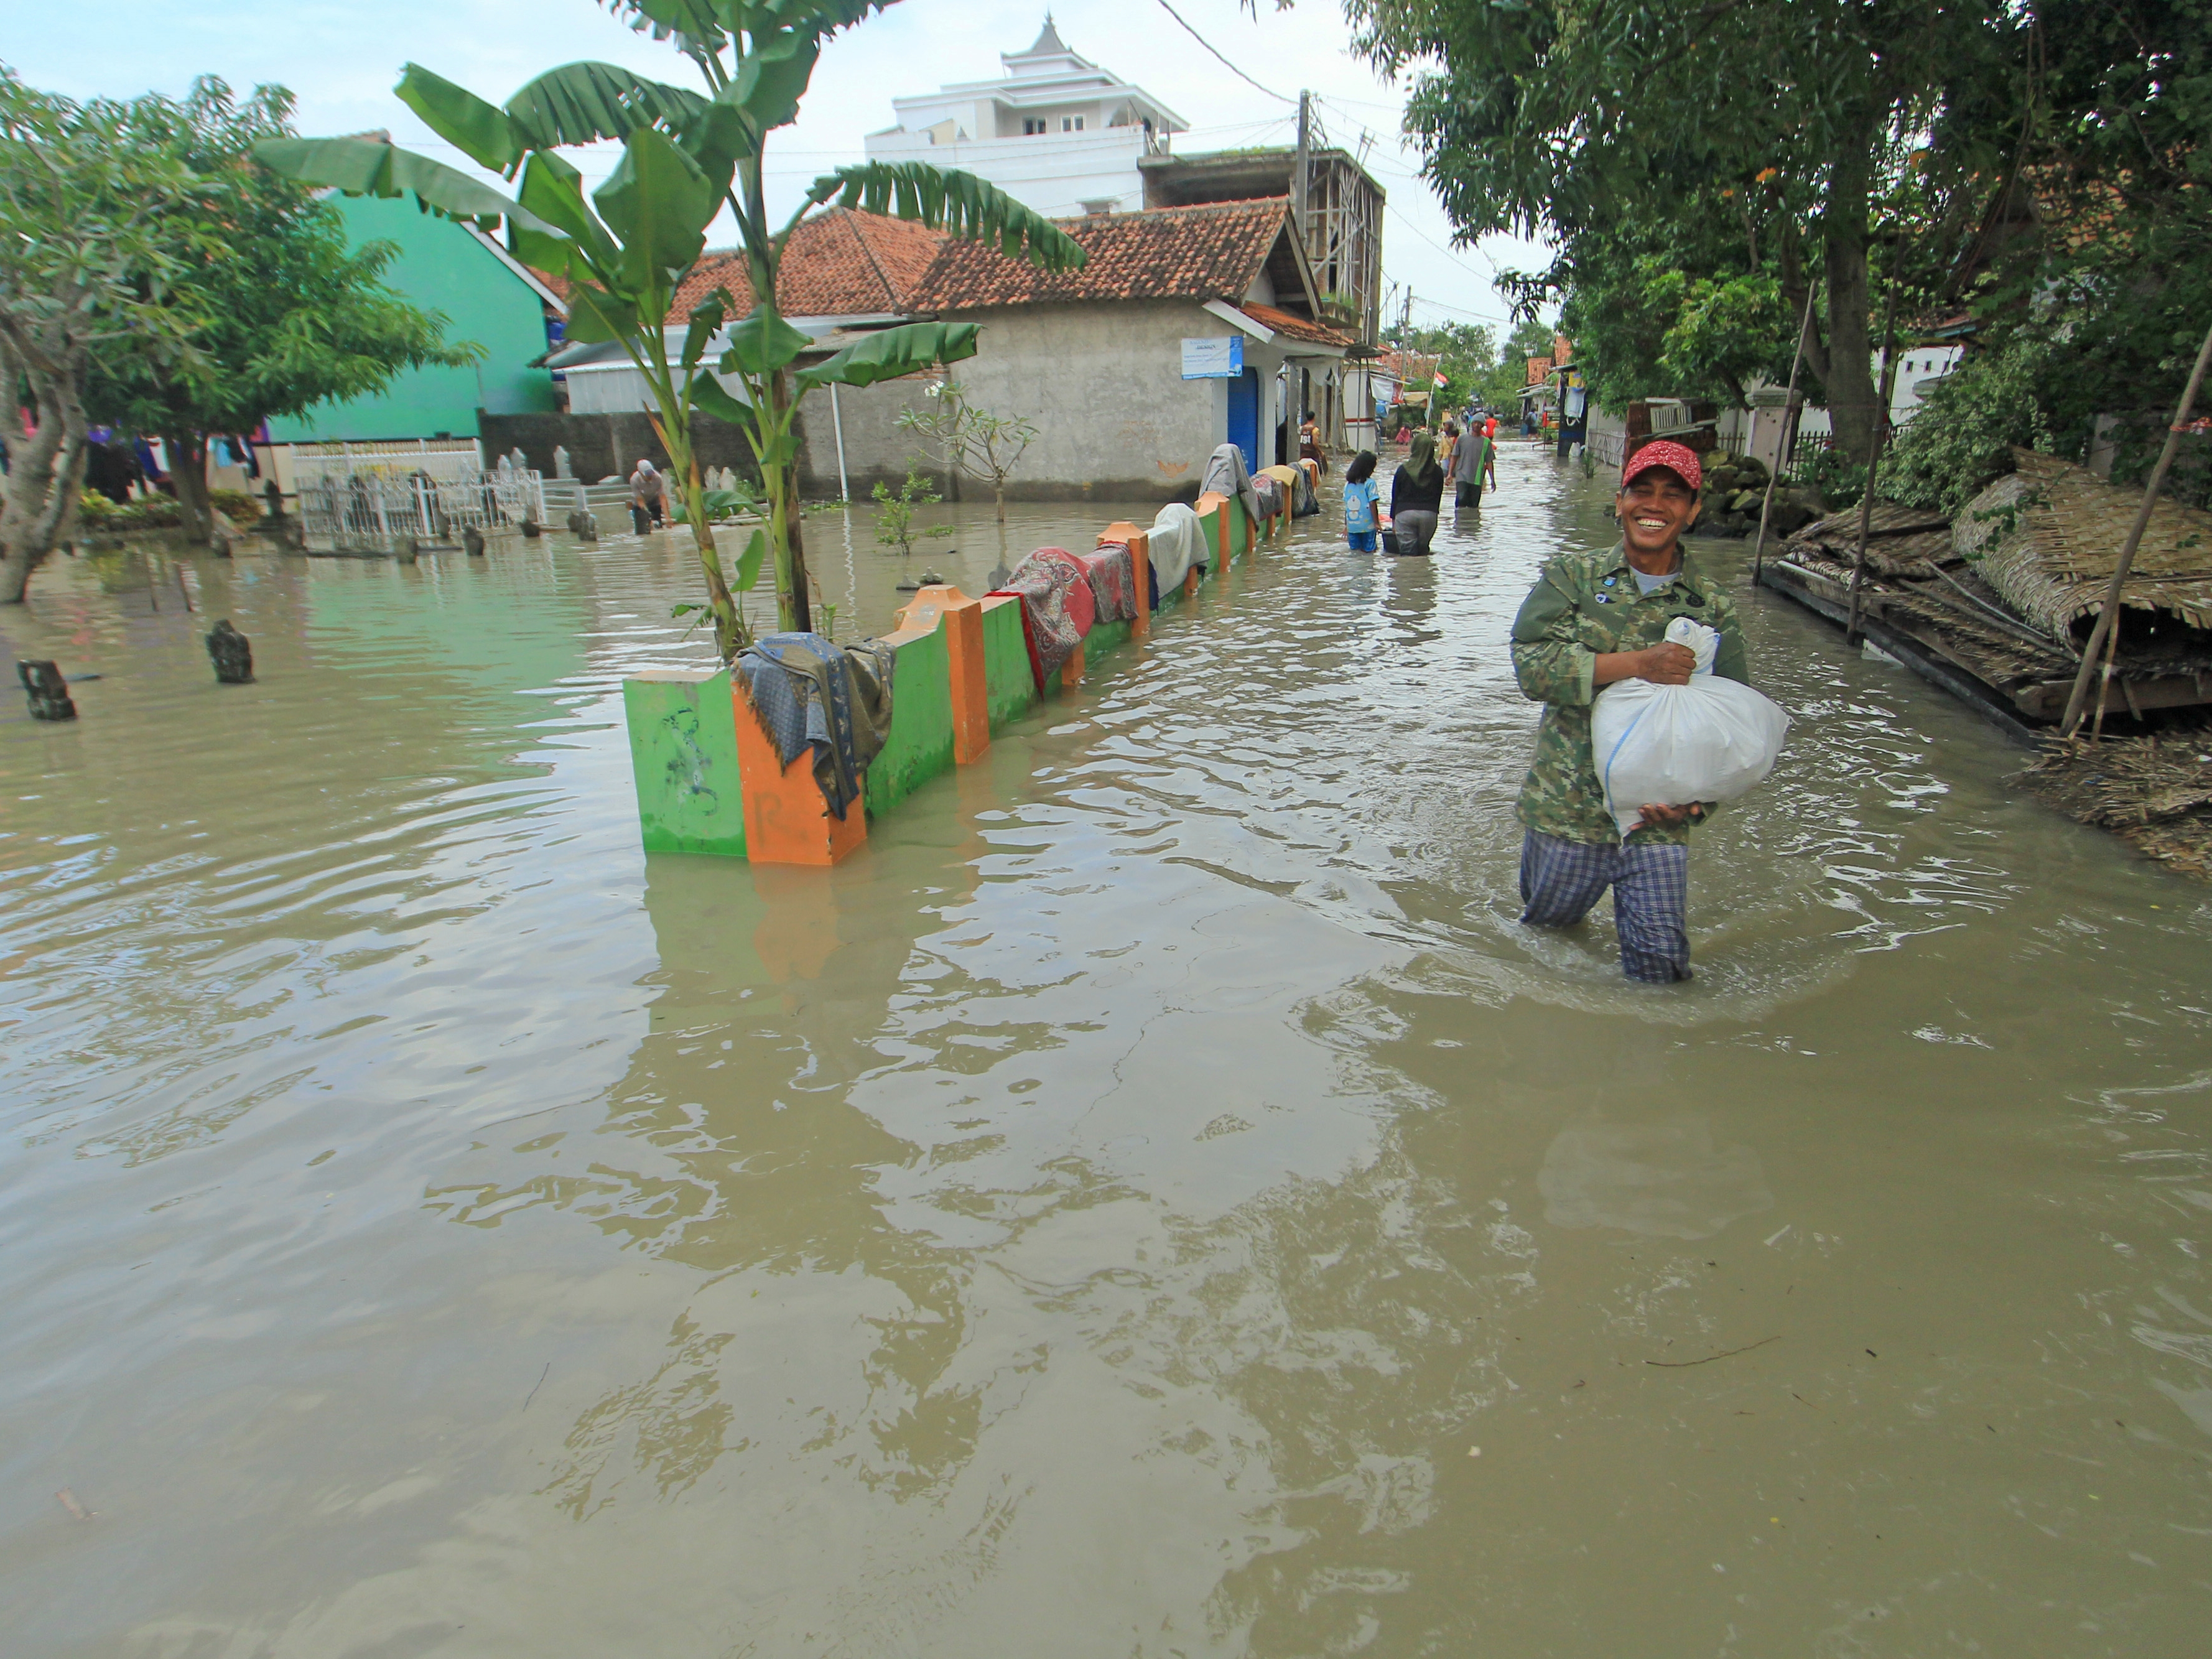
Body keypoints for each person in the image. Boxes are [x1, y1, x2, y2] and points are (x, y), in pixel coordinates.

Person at [1507, 440, 1749, 983]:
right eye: (1642, 491)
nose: (1654, 505)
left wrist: (1695, 807)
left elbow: (1731, 720)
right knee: (1544, 951)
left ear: (1692, 510)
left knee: (1661, 970)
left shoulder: (1711, 606)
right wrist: (1638, 663)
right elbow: (1532, 670)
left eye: (1672, 494)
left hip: (1656, 823)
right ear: (1619, 501)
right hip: (1567, 813)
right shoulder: (1572, 580)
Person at [1388, 431, 1444, 557]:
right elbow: (1438, 497)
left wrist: (1393, 521)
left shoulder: (1403, 470)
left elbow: (1395, 496)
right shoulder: (1438, 472)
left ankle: (1410, 575)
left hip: (1404, 514)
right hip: (1429, 515)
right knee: (1423, 552)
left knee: (1408, 556)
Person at [1451, 417, 1496, 509]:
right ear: (1471, 424)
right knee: (1461, 500)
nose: (1477, 425)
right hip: (1461, 475)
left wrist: (1492, 480)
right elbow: (1454, 456)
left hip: (1477, 478)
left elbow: (1489, 462)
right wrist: (1450, 474)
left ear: (1483, 426)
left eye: (1479, 423)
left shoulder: (1486, 442)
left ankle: (1471, 522)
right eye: (1475, 423)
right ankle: (1460, 521)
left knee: (1473, 505)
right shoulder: (1462, 439)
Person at [1342, 450, 1380, 553]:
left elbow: (1348, 507)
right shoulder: (1370, 484)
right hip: (1367, 526)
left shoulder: (1348, 485)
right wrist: (1377, 523)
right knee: (1369, 552)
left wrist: (1346, 525)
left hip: (1352, 526)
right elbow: (1372, 504)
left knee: (1355, 553)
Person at [630, 458, 666, 528]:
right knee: (642, 530)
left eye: (651, 473)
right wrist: (648, 518)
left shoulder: (658, 478)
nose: (650, 476)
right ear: (640, 473)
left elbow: (662, 498)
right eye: (647, 474)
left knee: (658, 527)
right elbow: (640, 500)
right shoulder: (634, 480)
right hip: (639, 505)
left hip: (654, 503)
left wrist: (668, 518)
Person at [1299, 412, 1329, 476]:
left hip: (1303, 455)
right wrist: (1320, 452)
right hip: (1312, 455)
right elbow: (1315, 443)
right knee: (1318, 472)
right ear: (1314, 418)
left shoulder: (1301, 428)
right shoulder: (1315, 430)